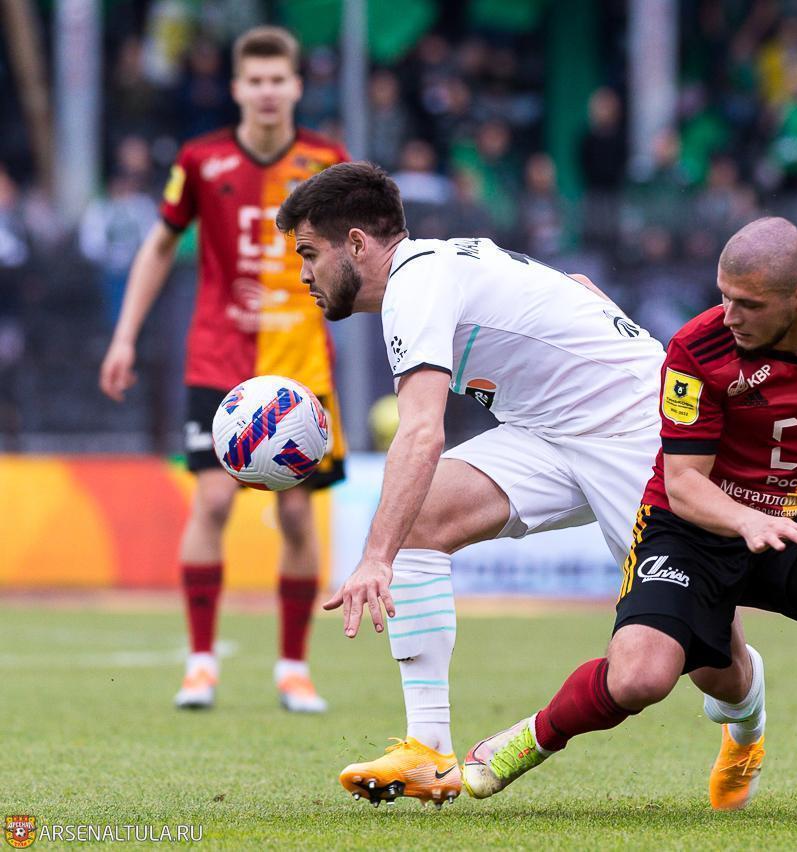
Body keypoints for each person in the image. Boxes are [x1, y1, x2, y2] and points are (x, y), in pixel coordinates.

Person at [275, 161, 771, 810]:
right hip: (547, 430)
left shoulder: (414, 285)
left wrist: (375, 558)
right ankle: (428, 751)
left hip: (637, 433)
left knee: (713, 666)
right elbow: (578, 285)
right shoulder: (439, 264)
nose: (304, 274)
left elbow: (421, 433)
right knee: (419, 520)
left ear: (358, 244)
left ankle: (748, 723)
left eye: (309, 253)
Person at [463, 216, 797, 822]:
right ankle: (529, 738)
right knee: (642, 680)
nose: (729, 315)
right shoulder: (699, 349)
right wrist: (745, 521)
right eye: (724, 296)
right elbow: (684, 484)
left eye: (748, 304)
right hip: (689, 529)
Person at [98, 27, 348, 713]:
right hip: (219, 358)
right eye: (255, 81)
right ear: (237, 88)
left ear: (296, 86)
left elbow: (356, 250)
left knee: (296, 512)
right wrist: (124, 336)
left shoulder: (327, 162)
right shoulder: (201, 160)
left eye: (278, 80)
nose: (267, 92)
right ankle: (201, 663)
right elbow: (159, 245)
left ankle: (293, 668)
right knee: (211, 499)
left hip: (298, 362)